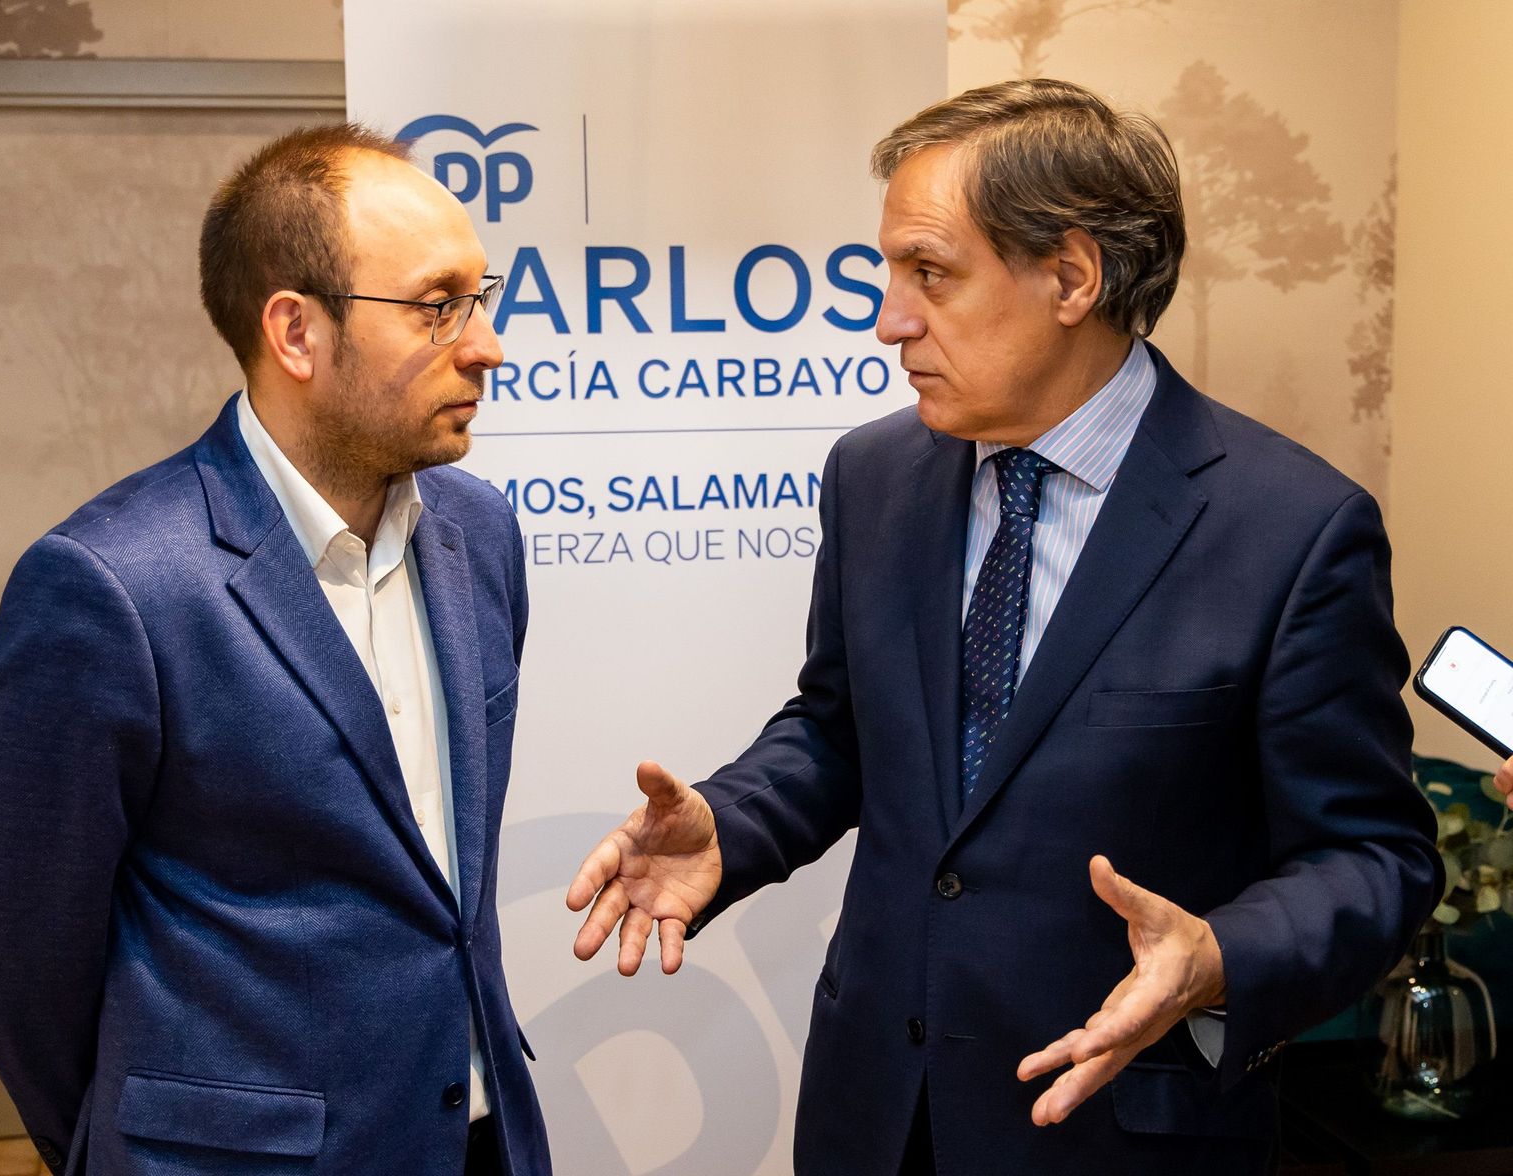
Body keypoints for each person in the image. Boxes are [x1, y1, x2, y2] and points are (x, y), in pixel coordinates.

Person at [567, 80, 1441, 1175]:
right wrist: (730, 827)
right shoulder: (874, 474)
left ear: (1071, 276)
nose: (888, 319)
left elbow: (1373, 857)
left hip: (1118, 1128)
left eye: (928, 273)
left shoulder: (1292, 530)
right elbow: (839, 728)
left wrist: (1220, 955)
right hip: (877, 1114)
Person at [0, 124, 545, 1176]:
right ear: (296, 332)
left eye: (483, 296)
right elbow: (12, 950)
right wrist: (133, 1144)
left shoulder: (478, 536)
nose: (486, 342)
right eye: (437, 304)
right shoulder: (114, 584)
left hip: (477, 1136)